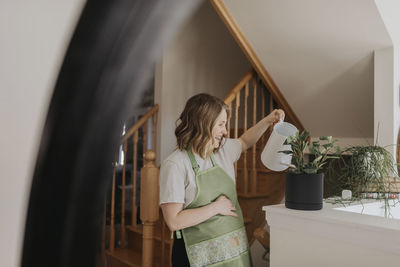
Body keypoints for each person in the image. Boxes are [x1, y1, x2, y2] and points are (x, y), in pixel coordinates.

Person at [159, 93, 285, 267]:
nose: (225, 131)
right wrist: (216, 207)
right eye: (221, 124)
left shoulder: (222, 150)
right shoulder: (175, 164)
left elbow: (245, 141)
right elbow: (174, 221)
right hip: (196, 258)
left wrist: (268, 121)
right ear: (204, 124)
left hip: (234, 253)